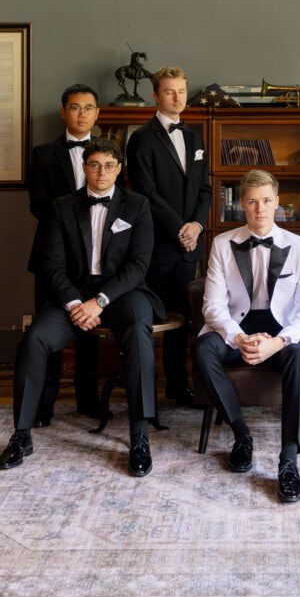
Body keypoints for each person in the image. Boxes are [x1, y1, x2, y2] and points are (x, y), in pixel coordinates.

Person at [0, 138, 162, 478]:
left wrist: (99, 301)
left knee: (138, 328)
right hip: (72, 293)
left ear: (120, 170)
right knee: (36, 339)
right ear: (85, 168)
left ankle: (139, 437)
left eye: (110, 165)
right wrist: (76, 303)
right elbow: (52, 265)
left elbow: (138, 265)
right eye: (95, 164)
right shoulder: (61, 206)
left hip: (121, 293)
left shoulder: (138, 205)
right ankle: (22, 434)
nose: (102, 172)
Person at [193, 169, 300, 503]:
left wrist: (277, 342)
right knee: (203, 349)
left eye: (267, 201)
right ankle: (241, 435)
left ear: (277, 202)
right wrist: (238, 338)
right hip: (236, 326)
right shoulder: (222, 244)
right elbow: (212, 306)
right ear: (242, 203)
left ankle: (288, 460)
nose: (260, 209)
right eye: (253, 201)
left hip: (283, 330)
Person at [127, 66, 211, 406]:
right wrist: (180, 228)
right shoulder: (140, 139)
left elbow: (205, 188)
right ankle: (143, 391)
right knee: (148, 320)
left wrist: (197, 226)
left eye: (181, 91)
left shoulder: (194, 137)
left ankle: (177, 387)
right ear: (156, 96)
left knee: (183, 320)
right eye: (169, 91)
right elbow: (145, 192)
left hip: (189, 245)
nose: (177, 97)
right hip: (157, 246)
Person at [27, 83, 105, 424]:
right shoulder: (43, 154)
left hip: (95, 256)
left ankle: (86, 400)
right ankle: (44, 404)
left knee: (89, 329)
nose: (82, 114)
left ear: (97, 113)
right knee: (48, 329)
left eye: (88, 108)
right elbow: (38, 205)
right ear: (64, 112)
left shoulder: (108, 153)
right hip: (52, 255)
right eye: (75, 107)